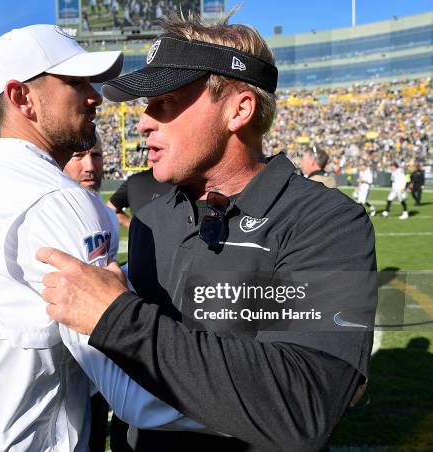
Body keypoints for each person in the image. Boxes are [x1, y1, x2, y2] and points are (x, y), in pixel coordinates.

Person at [38, 13, 377, 451]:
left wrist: (118, 318)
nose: (143, 122)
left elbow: (303, 406)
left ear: (239, 109)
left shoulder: (327, 222)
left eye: (166, 102)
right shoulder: (151, 220)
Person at [0, 24, 204, 452]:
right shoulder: (55, 199)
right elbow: (134, 390)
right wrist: (265, 402)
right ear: (21, 97)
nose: (95, 96)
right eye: (75, 83)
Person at [63, 135, 118, 452]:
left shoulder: (106, 215)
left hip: (97, 369)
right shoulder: (49, 214)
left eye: (95, 155)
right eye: (79, 156)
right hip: (58, 372)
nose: (90, 166)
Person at [107, 153, 172, 229]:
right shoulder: (181, 181)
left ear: (149, 161)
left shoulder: (133, 181)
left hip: (143, 238)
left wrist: (129, 224)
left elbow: (109, 209)